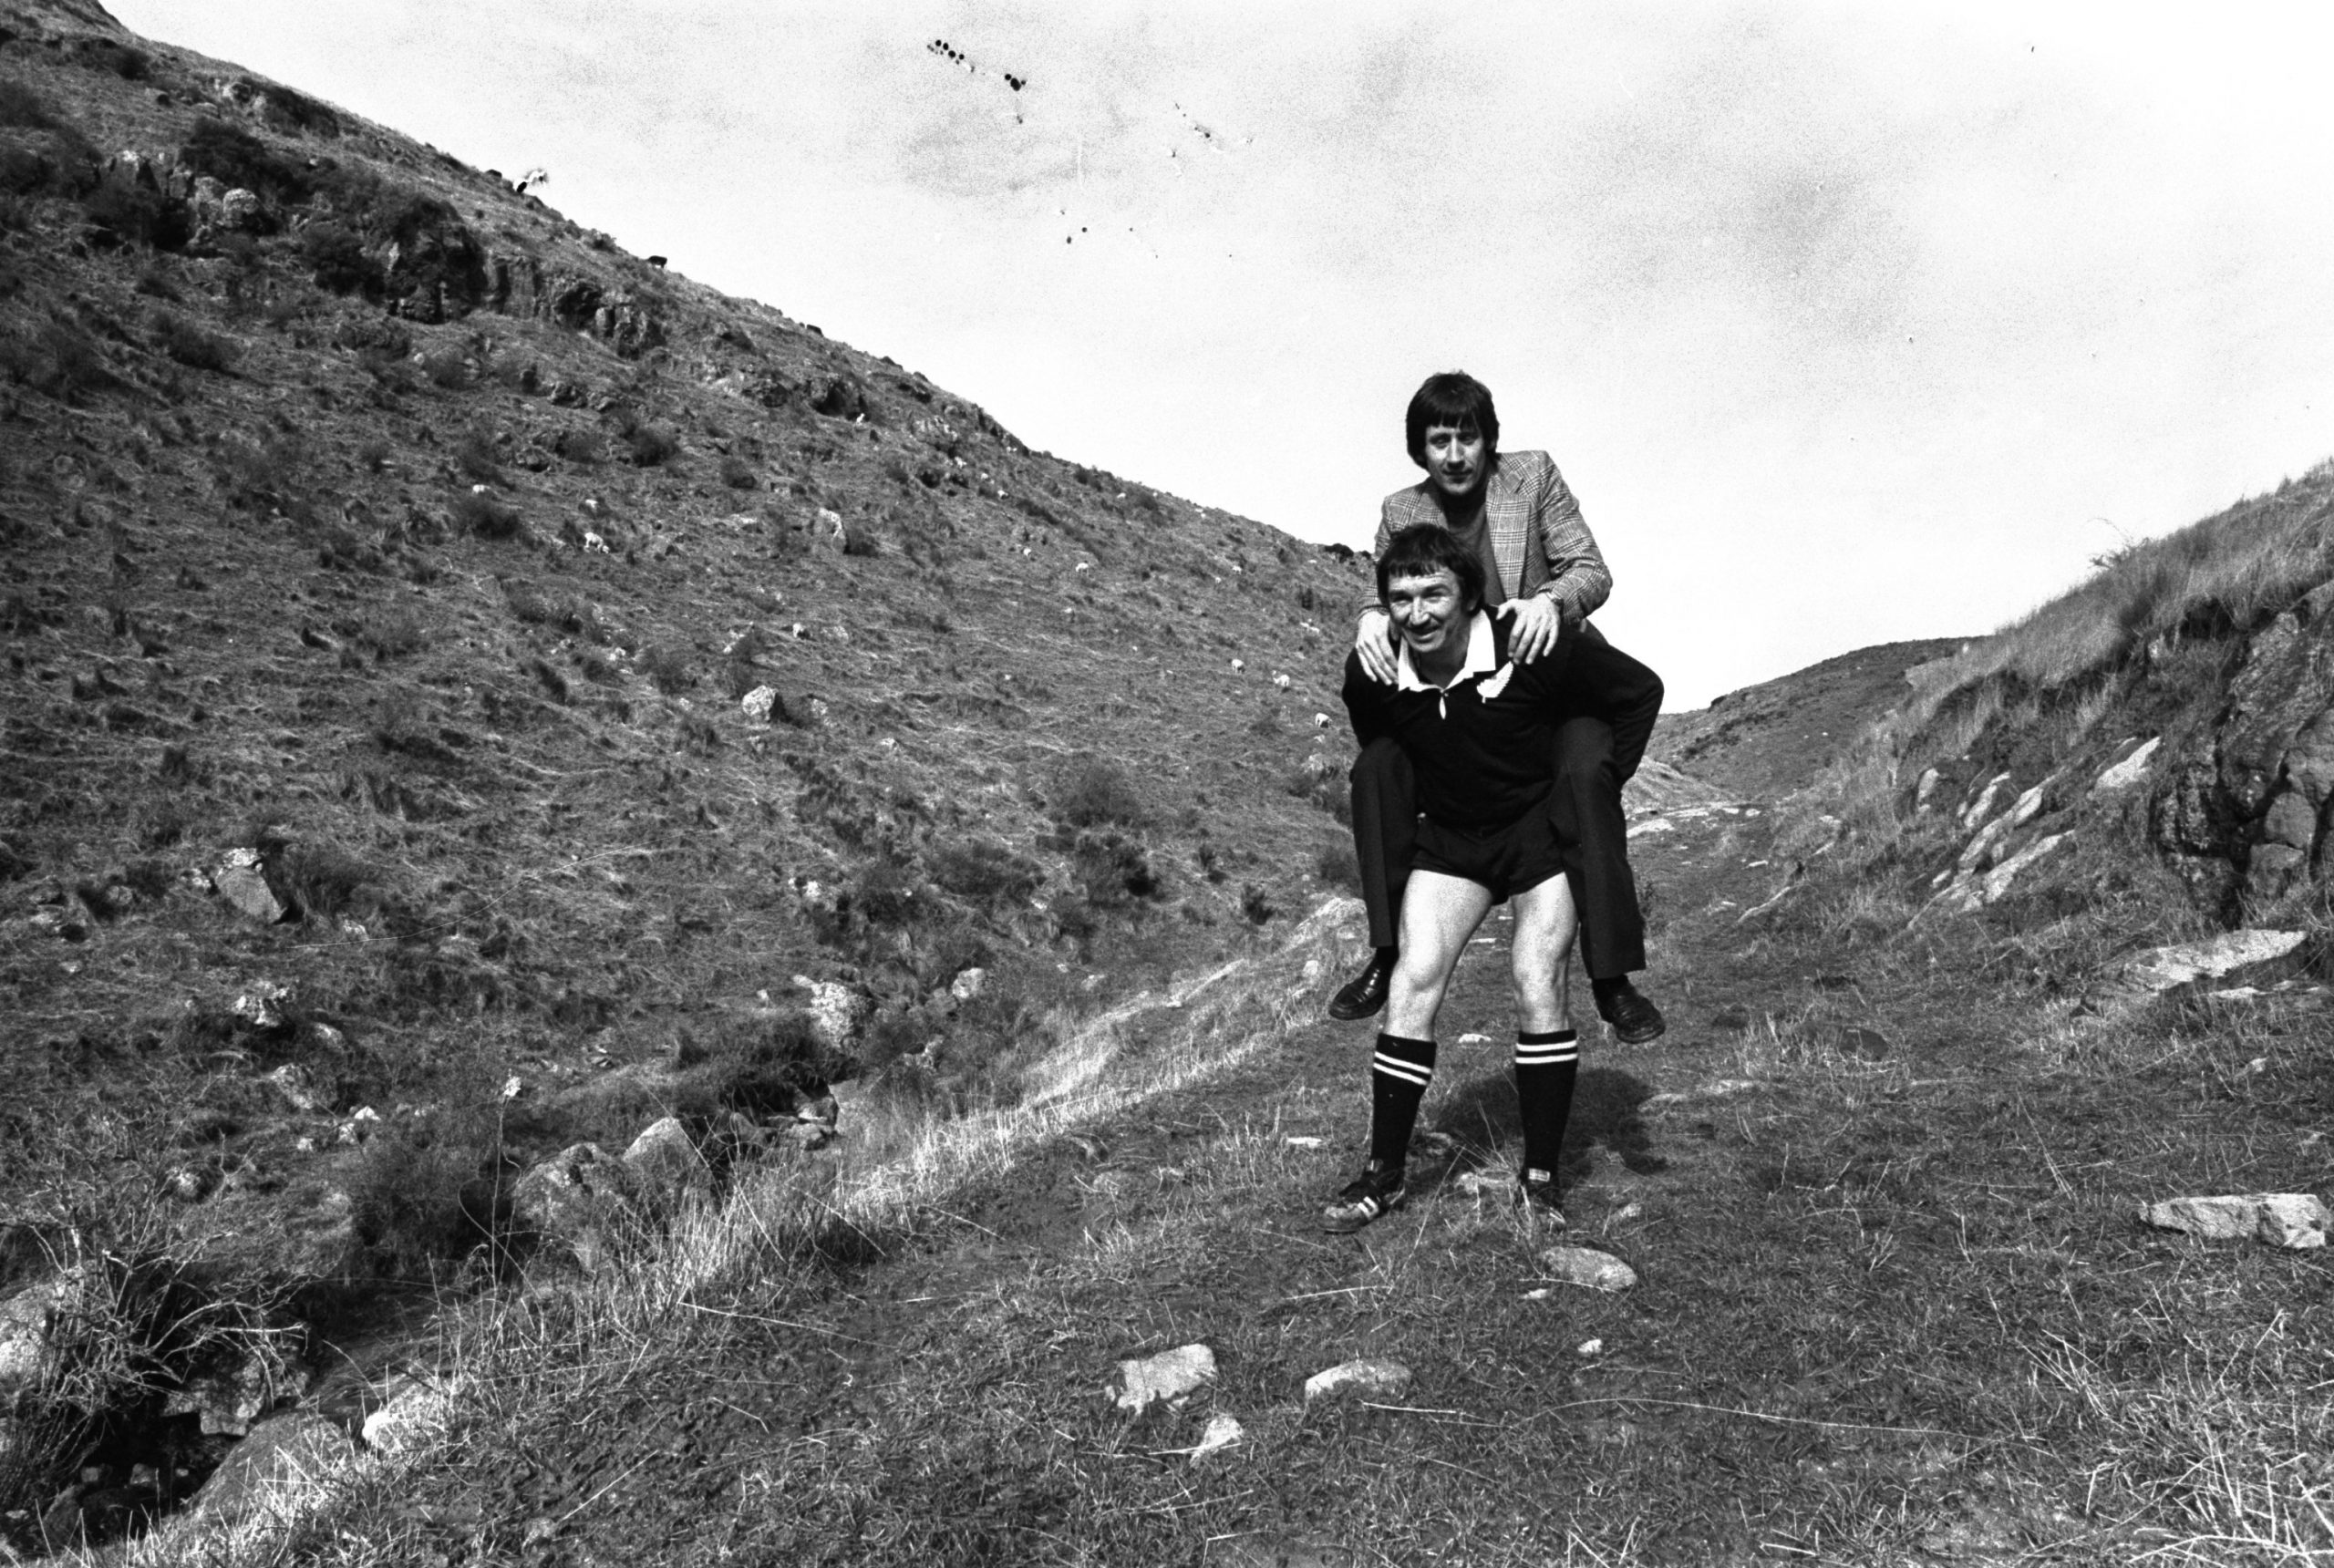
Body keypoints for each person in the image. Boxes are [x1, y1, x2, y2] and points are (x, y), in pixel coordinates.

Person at [1327, 371, 1666, 1046]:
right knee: (1377, 768)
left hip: (1550, 679)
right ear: (1418, 450)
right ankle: (1387, 950)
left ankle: (1611, 976)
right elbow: (1391, 588)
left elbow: (1590, 569)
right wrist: (1368, 616)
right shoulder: (1401, 509)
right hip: (1462, 696)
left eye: (1468, 437)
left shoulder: (1532, 477)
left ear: (1489, 442)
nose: (1455, 455)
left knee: (1583, 771)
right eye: (1438, 440)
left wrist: (1552, 601)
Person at [1322, 524, 1609, 1233]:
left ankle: (1541, 1176)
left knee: (1538, 978)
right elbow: (1378, 733)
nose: (1417, 613)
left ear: (1469, 597)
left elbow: (1636, 694)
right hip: (1453, 840)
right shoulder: (1379, 667)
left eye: (1433, 595)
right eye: (1399, 598)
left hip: (1538, 836)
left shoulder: (1527, 645)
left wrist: (1591, 780)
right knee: (1412, 979)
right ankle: (1385, 1174)